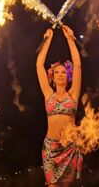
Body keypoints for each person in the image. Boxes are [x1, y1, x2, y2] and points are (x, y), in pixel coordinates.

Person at [36, 25, 83, 187]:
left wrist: (70, 39)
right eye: (57, 72)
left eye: (63, 72)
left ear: (68, 77)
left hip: (69, 147)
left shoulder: (73, 95)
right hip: (50, 148)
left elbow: (77, 65)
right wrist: (47, 41)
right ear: (52, 77)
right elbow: (39, 66)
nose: (60, 74)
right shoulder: (48, 95)